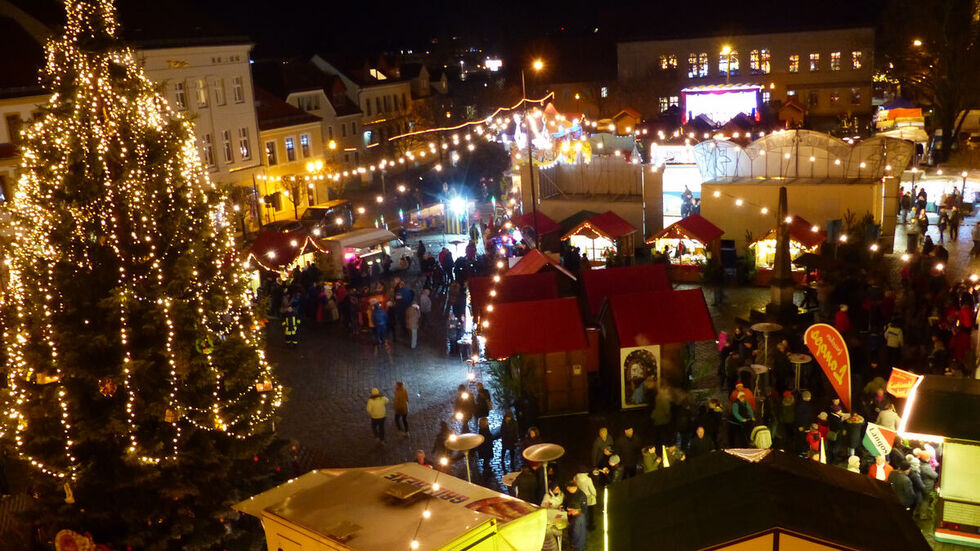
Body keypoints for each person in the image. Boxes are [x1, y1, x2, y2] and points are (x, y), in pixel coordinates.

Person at [563, 479, 588, 551]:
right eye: (567, 488)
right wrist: (565, 508)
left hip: (578, 517)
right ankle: (575, 544)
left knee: (578, 532)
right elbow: (565, 502)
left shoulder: (581, 496)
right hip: (572, 516)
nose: (567, 489)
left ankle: (578, 546)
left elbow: (584, 510)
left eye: (569, 488)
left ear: (575, 487)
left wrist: (573, 512)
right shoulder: (568, 493)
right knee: (573, 530)